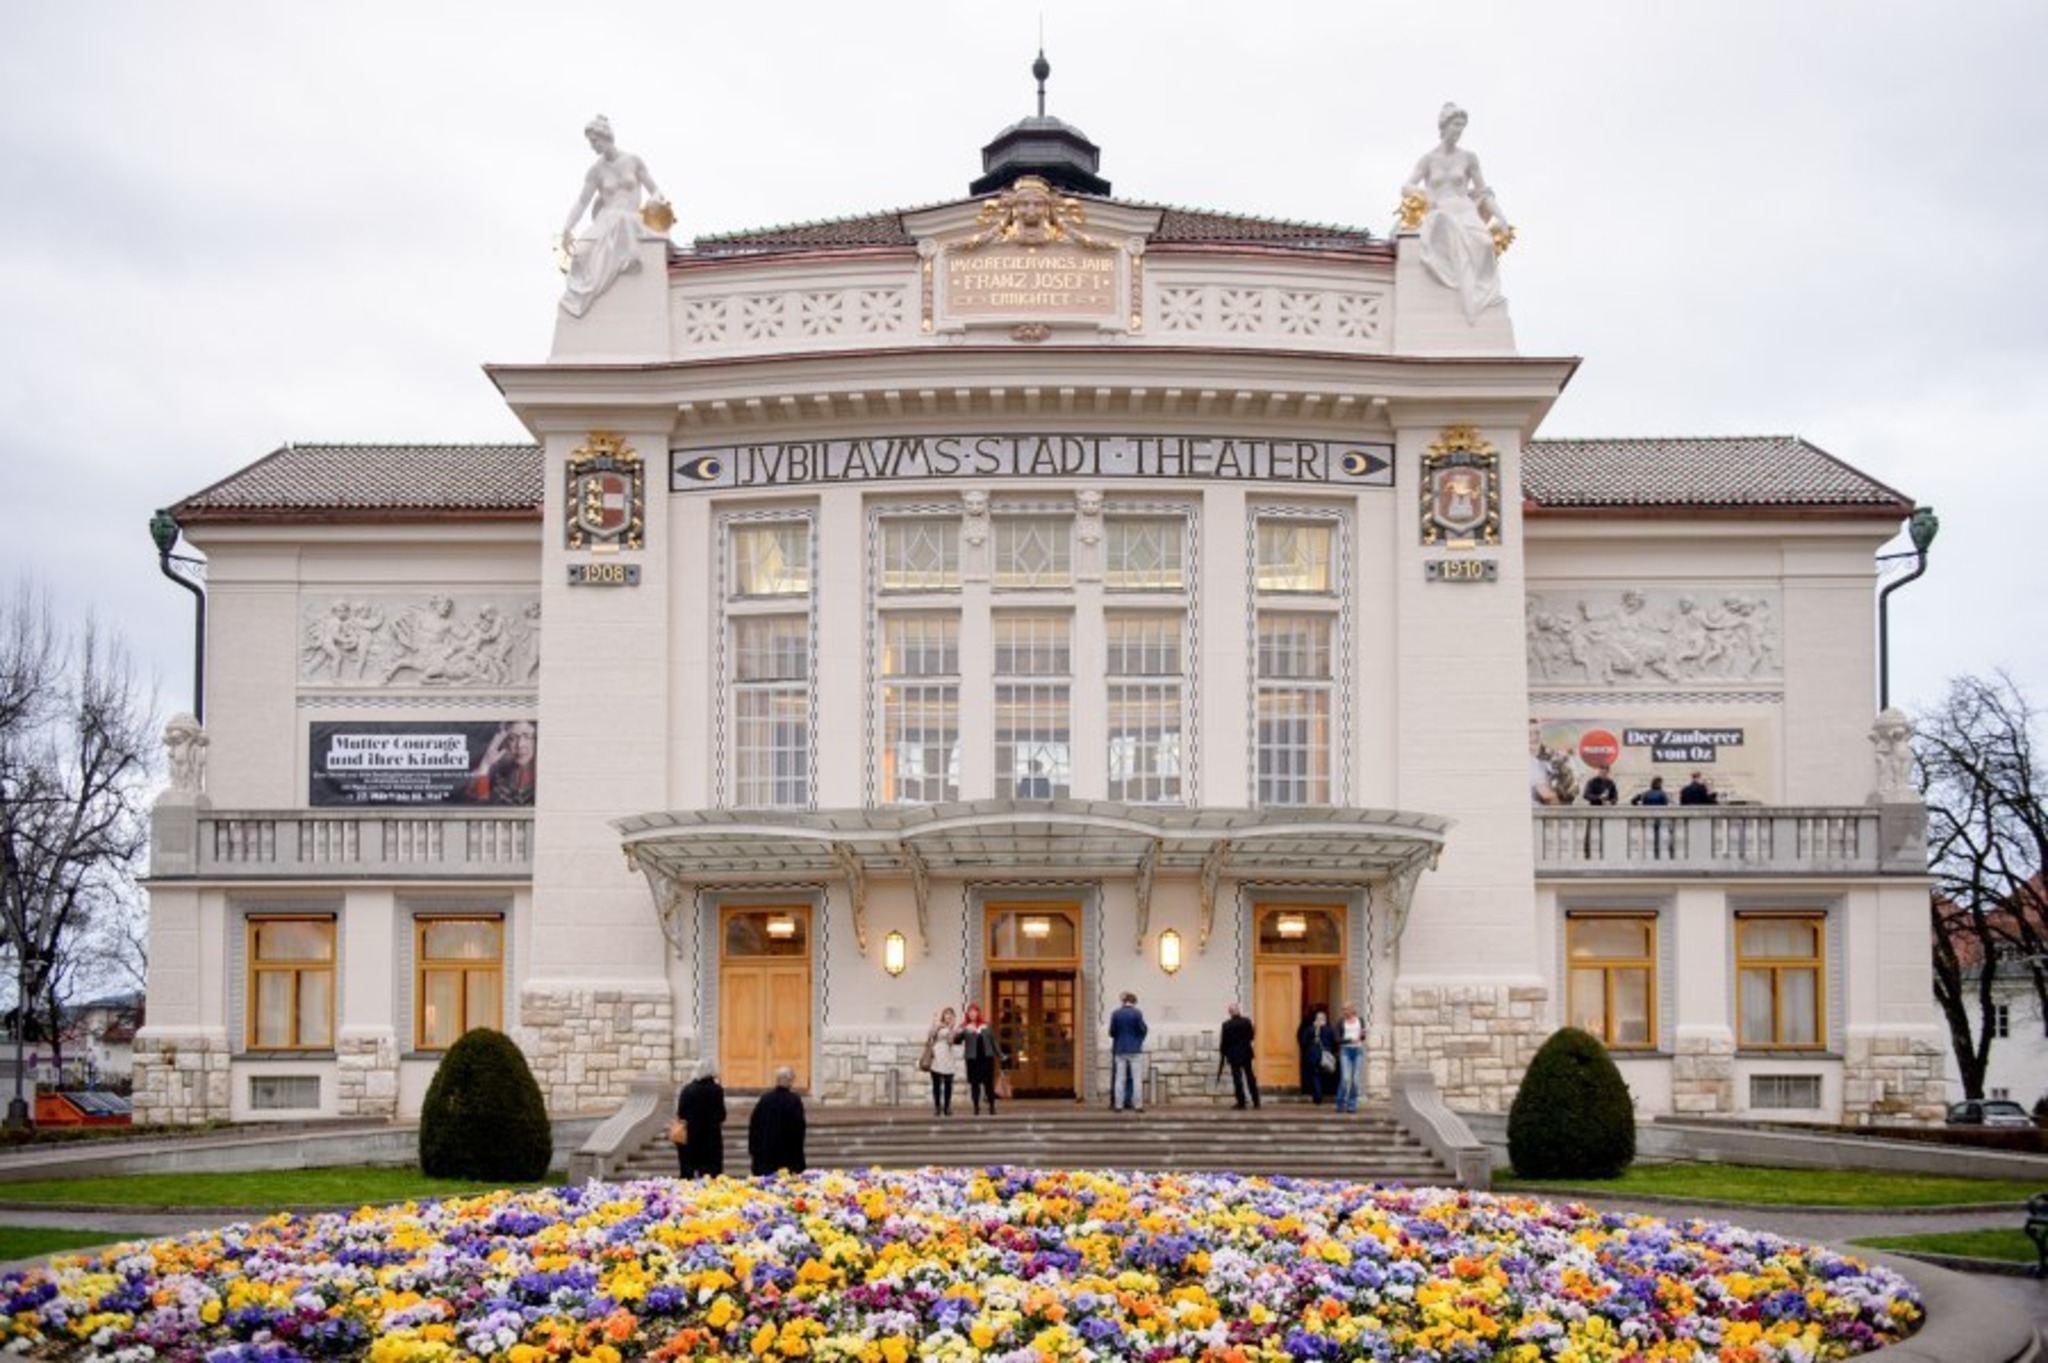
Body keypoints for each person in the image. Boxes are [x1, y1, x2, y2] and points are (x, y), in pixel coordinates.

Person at [1402, 102, 1513, 323]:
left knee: (1485, 244)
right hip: (1440, 211)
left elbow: (1483, 191)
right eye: (1455, 125)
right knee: (1447, 231)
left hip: (1465, 209)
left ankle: (1478, 298)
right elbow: (1406, 186)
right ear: (1444, 126)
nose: (1459, 130)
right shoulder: (1428, 159)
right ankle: (1463, 297)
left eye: (1462, 126)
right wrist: (1425, 196)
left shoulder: (1469, 158)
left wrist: (1501, 218)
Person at [559, 115, 669, 319]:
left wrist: (654, 202)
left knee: (623, 220)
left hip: (630, 217)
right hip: (605, 219)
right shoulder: (595, 171)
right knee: (580, 254)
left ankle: (629, 260)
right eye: (590, 142)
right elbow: (582, 202)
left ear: (605, 136)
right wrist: (567, 229)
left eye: (594, 141)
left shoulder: (633, 161)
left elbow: (656, 191)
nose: (592, 146)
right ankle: (579, 299)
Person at [747, 1066, 806, 1175]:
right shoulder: (794, 1100)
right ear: (790, 1081)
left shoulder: (765, 1099)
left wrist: (754, 1149)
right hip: (788, 1157)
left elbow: (754, 1125)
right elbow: (799, 1128)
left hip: (766, 1157)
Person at [674, 1058, 727, 1178]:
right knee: (711, 1174)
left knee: (688, 1174)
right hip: (711, 1139)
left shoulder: (687, 1090)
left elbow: (681, 1113)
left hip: (690, 1137)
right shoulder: (716, 1090)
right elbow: (721, 1115)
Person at [467, 720, 537, 804]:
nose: (520, 745)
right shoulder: (501, 773)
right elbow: (477, 803)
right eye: (512, 738)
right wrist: (485, 764)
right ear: (506, 742)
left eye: (527, 737)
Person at [954, 1003, 1003, 1115]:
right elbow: (957, 1041)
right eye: (970, 1012)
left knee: (988, 1084)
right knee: (974, 1084)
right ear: (968, 1014)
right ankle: (976, 1107)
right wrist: (959, 1032)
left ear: (978, 1013)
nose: (972, 1013)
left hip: (986, 1058)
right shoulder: (965, 1027)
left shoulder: (986, 1026)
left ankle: (992, 1106)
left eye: (974, 1011)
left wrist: (1000, 1054)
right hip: (972, 1059)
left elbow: (993, 1041)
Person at [1108, 991, 1149, 1112]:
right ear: (1134, 1002)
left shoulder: (1116, 1013)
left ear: (1124, 1001)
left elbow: (1111, 1032)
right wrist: (1138, 1041)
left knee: (1119, 1079)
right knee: (1136, 1079)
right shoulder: (1137, 1013)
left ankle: (1118, 1105)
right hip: (1135, 1050)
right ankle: (1138, 1106)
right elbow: (1142, 1029)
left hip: (1120, 1049)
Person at [1219, 1003, 1260, 1110]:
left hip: (1234, 1055)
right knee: (1250, 1077)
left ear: (1230, 1013)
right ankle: (1256, 1101)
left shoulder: (1226, 1025)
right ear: (1238, 1010)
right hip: (1246, 1053)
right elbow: (1251, 1037)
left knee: (1237, 1079)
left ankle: (1241, 1102)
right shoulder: (1247, 1022)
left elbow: (1224, 1042)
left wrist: (1223, 1053)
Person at [924, 1006, 961, 1117]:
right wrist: (934, 1025)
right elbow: (930, 1036)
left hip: (948, 1056)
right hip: (936, 1056)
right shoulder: (938, 1026)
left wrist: (951, 1029)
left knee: (948, 1083)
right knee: (936, 1085)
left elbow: (950, 1042)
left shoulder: (953, 1028)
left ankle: (947, 1107)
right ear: (943, 1016)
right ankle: (937, 1107)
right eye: (946, 1013)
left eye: (950, 1014)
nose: (948, 1016)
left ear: (953, 1017)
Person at [1296, 1007, 1337, 1105]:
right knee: (1324, 1075)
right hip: (1326, 1056)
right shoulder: (1329, 1029)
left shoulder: (1309, 1029)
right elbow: (1334, 1043)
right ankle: (1322, 1093)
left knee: (1315, 1075)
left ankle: (1317, 1096)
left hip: (1312, 1055)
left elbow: (1303, 1041)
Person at [1334, 1004, 1366, 1115]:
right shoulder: (1340, 1022)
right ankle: (1340, 1102)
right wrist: (1350, 1040)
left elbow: (1363, 1037)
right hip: (1345, 1052)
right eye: (1343, 1009)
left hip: (1358, 1052)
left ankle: (1352, 1104)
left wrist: (1362, 1035)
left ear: (1352, 1009)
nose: (1344, 1011)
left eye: (1346, 1009)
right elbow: (1337, 1039)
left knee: (1356, 1080)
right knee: (1346, 1079)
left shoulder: (1360, 1020)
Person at [1631, 776, 1672, 858]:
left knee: (1649, 837)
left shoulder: (1645, 793)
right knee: (1658, 838)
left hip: (1647, 819)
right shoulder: (1662, 794)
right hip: (1659, 819)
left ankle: (1649, 854)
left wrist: (1640, 807)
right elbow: (1666, 805)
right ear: (1659, 784)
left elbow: (1633, 801)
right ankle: (1657, 854)